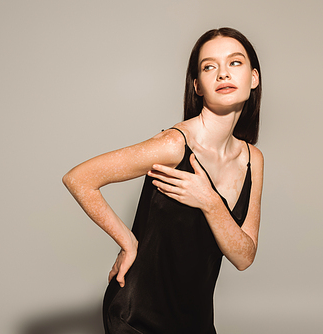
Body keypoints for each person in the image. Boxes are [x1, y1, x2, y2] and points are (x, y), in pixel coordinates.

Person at [62, 27, 264, 334]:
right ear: (197, 86)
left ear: (253, 77)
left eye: (234, 63)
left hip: (194, 320)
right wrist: (127, 242)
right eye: (210, 66)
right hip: (138, 316)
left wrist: (209, 200)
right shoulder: (174, 145)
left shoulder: (252, 158)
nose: (223, 73)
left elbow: (244, 256)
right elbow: (79, 178)